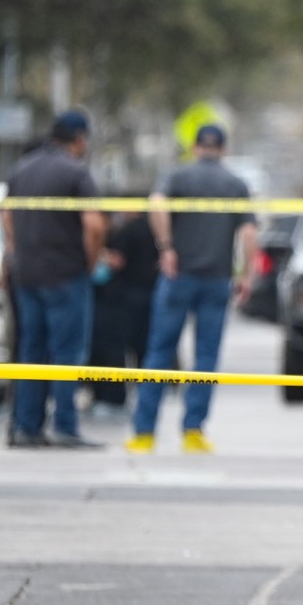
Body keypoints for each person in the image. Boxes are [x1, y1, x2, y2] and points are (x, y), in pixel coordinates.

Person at [128, 124, 256, 453]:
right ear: (223, 149)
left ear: (195, 147)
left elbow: (156, 205)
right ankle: (193, 431)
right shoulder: (236, 184)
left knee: (158, 352)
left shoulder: (177, 177)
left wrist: (166, 247)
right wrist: (246, 274)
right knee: (206, 357)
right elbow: (249, 234)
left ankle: (144, 433)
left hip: (178, 275)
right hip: (217, 278)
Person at [1, 110, 105, 449]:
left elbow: (6, 216)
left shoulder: (22, 169)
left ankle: (26, 426)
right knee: (68, 353)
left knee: (31, 351)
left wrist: (16, 252)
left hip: (27, 274)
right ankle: (65, 425)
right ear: (78, 139)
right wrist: (89, 263)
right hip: (65, 273)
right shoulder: (76, 172)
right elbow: (93, 224)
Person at [88, 208, 158, 414]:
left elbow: (116, 261)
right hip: (148, 296)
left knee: (113, 349)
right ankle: (146, 397)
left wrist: (99, 256)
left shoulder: (126, 232)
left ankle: (113, 399)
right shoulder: (153, 228)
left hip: (121, 299)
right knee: (143, 350)